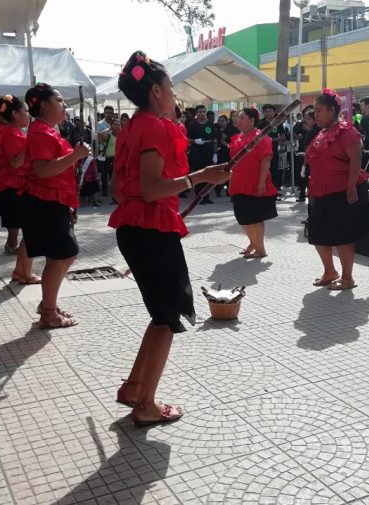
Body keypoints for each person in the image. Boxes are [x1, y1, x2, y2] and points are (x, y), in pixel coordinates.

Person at [109, 50, 229, 426]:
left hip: (136, 228)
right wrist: (201, 176)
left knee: (160, 314)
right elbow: (151, 189)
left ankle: (133, 387)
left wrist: (198, 178)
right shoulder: (155, 128)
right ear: (157, 91)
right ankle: (146, 406)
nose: (174, 94)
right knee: (166, 318)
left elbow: (119, 188)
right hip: (150, 231)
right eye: (171, 87)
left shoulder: (131, 127)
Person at [22, 83, 90, 329]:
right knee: (60, 255)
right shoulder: (40, 132)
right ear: (44, 105)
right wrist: (76, 155)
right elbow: (42, 170)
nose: (64, 105)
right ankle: (48, 312)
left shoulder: (47, 130)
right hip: (44, 201)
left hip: (54, 200)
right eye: (59, 100)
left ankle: (47, 304)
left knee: (65, 254)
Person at [305, 89, 369, 290]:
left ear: (331, 110)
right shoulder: (321, 133)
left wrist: (351, 186)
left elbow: (356, 159)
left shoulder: (346, 131)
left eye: (319, 111)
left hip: (342, 191)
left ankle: (347, 278)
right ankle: (329, 271)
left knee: (343, 236)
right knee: (318, 234)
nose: (315, 115)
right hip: (320, 190)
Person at [0, 94, 40, 285]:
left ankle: (21, 270)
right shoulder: (11, 132)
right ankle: (23, 272)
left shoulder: (8, 130)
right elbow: (16, 162)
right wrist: (31, 144)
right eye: (25, 111)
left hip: (14, 185)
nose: (28, 115)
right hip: (15, 186)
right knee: (31, 229)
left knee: (29, 228)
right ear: (16, 114)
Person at [229, 106, 278, 258]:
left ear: (252, 120)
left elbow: (266, 159)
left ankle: (260, 248)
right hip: (238, 183)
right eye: (238, 117)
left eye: (242, 117)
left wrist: (262, 182)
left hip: (254, 183)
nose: (238, 120)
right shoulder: (237, 138)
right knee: (242, 217)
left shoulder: (260, 137)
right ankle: (252, 243)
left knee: (255, 217)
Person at [186, 104, 217, 204]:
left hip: (208, 152)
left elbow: (215, 139)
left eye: (203, 111)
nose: (202, 114)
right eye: (200, 112)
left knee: (208, 174)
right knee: (199, 174)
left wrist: (215, 154)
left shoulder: (210, 125)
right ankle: (198, 196)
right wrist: (195, 141)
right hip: (197, 153)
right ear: (196, 113)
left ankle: (206, 196)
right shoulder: (192, 125)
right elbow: (186, 139)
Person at [257, 104, 287, 191]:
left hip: (274, 149)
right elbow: (259, 137)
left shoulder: (277, 122)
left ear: (274, 112)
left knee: (274, 169)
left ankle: (274, 189)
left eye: (270, 111)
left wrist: (278, 140)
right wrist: (274, 139)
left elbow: (283, 135)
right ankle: (264, 187)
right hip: (263, 150)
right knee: (265, 169)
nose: (268, 113)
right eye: (266, 111)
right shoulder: (260, 123)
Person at [294, 110, 319, 202]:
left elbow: (308, 150)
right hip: (311, 160)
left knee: (307, 178)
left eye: (309, 119)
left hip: (311, 161)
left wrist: (304, 165)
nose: (306, 121)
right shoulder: (305, 127)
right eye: (306, 118)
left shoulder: (314, 131)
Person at [99, 119, 120, 199]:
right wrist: (109, 129)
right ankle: (104, 191)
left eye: (118, 124)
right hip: (107, 158)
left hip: (117, 158)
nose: (117, 126)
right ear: (111, 126)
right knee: (105, 175)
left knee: (114, 176)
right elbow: (103, 137)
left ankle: (115, 194)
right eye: (115, 124)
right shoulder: (109, 134)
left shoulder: (121, 135)